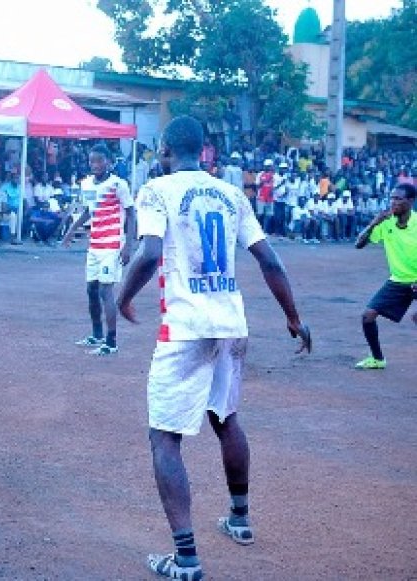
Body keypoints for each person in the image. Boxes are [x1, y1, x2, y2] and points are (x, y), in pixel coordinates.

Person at [116, 116, 311, 581]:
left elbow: (147, 253)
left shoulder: (157, 189)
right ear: (205, 150)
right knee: (226, 419)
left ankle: (185, 559)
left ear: (164, 149)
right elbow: (269, 258)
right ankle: (239, 519)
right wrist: (293, 317)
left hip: (185, 327)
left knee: (164, 436)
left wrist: (121, 299)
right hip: (231, 323)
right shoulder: (231, 193)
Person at [61, 143, 134, 356]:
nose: (95, 165)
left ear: (109, 162)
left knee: (105, 290)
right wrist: (71, 231)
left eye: (100, 160)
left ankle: (111, 342)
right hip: (94, 245)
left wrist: (128, 244)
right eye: (92, 161)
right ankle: (96, 334)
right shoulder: (87, 185)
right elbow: (88, 212)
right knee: (91, 290)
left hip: (112, 245)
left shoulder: (118, 184)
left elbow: (131, 213)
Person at [353, 183, 417, 370]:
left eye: (398, 199)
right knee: (368, 316)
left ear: (410, 202)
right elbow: (359, 244)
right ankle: (377, 359)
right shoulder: (386, 223)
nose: (393, 202)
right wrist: (374, 223)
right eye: (391, 198)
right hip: (398, 280)